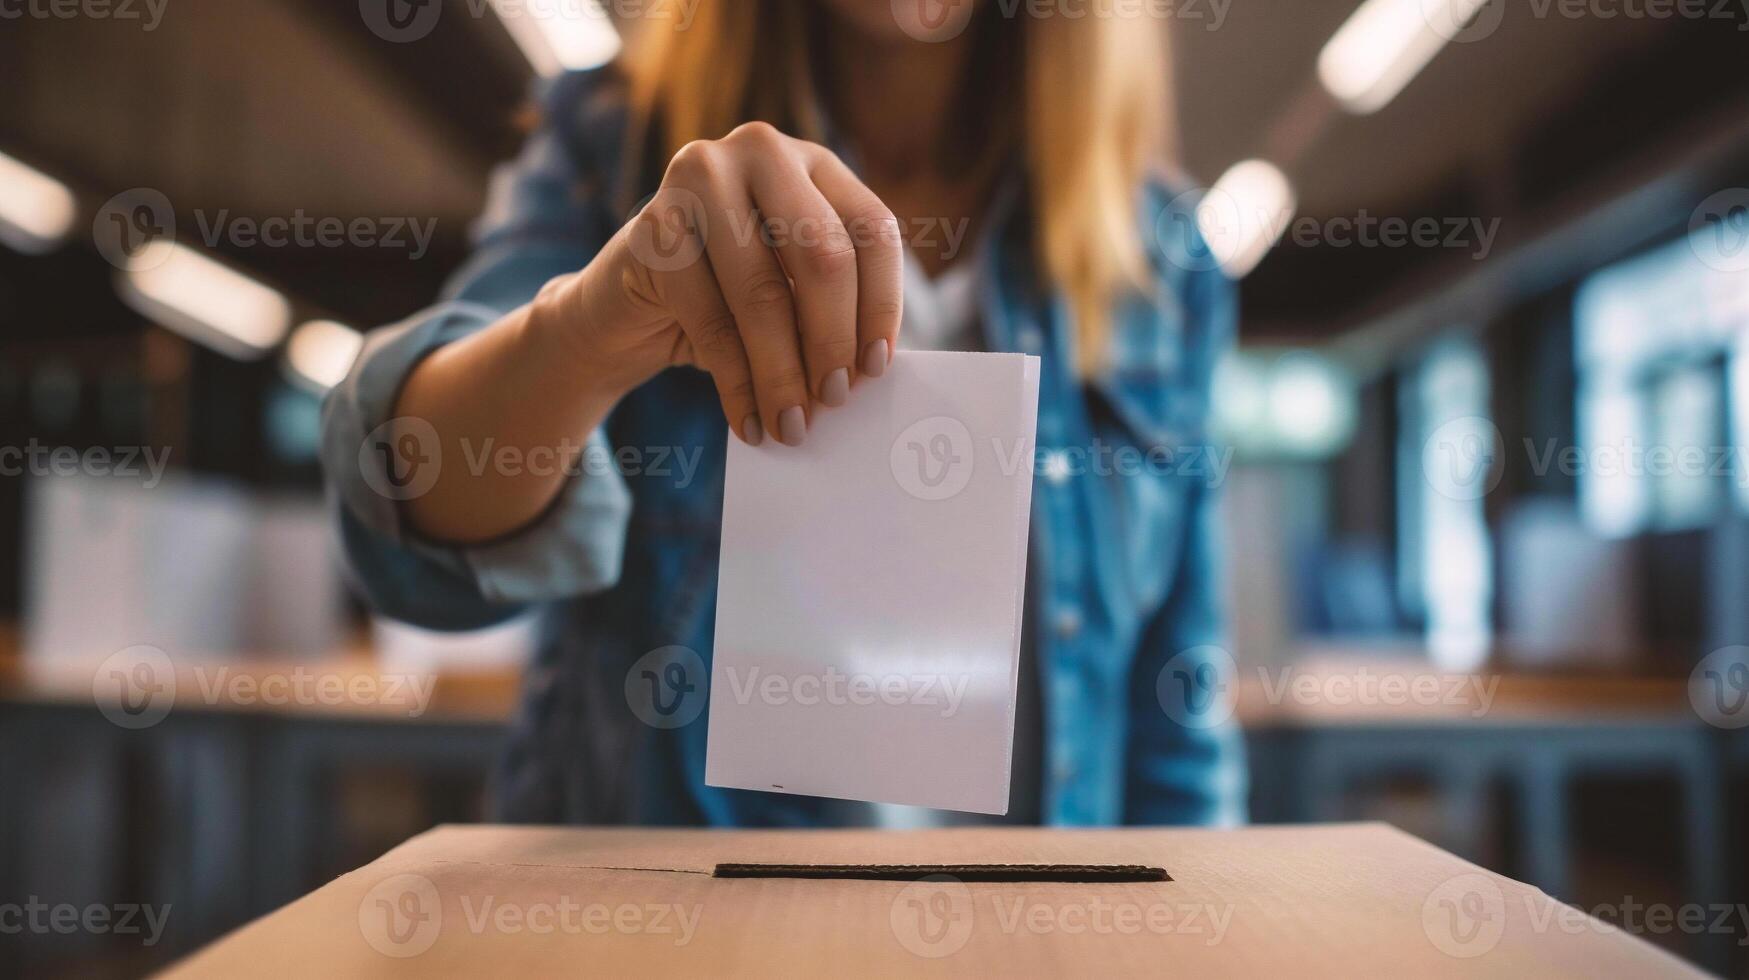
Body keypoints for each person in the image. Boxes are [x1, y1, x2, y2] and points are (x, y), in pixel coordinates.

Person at [321, 0, 1245, 827]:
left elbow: (1175, 718)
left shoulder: (1159, 253)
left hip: (1023, 941)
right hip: (676, 935)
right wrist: (586, 330)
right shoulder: (617, 144)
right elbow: (410, 517)